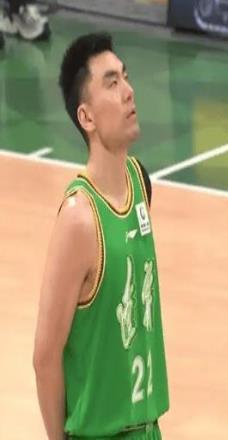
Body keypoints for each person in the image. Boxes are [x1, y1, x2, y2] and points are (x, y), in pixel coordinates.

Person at [33, 32, 169, 439]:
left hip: (148, 428)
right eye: (111, 83)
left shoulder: (138, 181)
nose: (128, 91)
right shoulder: (79, 219)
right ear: (87, 117)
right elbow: (45, 356)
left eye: (125, 77)